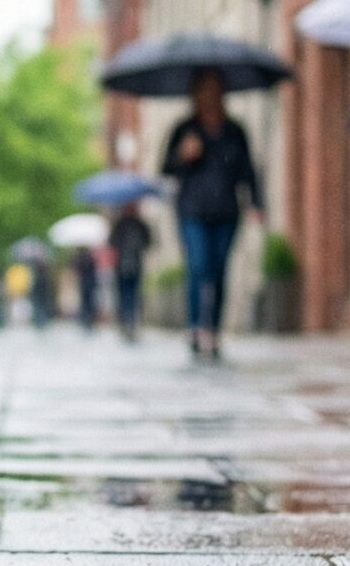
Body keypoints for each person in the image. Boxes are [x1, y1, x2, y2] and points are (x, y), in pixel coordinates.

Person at [161, 67, 263, 361]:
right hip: (192, 209)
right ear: (195, 93)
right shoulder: (184, 129)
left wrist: (256, 203)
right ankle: (196, 327)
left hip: (227, 211)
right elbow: (166, 169)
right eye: (204, 88)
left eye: (215, 88)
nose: (210, 94)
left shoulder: (234, 130)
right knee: (198, 265)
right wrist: (183, 155)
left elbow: (248, 170)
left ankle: (213, 329)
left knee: (219, 271)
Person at [109, 202, 151, 342]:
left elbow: (148, 241)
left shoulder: (139, 224)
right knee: (125, 295)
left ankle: (131, 322)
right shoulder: (119, 224)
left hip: (135, 264)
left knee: (133, 294)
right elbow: (112, 243)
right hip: (121, 265)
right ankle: (126, 321)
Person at [69, 242, 101, 332]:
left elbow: (76, 268)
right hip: (89, 283)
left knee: (86, 301)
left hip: (86, 283)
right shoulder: (89, 256)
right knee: (88, 301)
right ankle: (87, 319)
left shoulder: (83, 257)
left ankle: (87, 319)